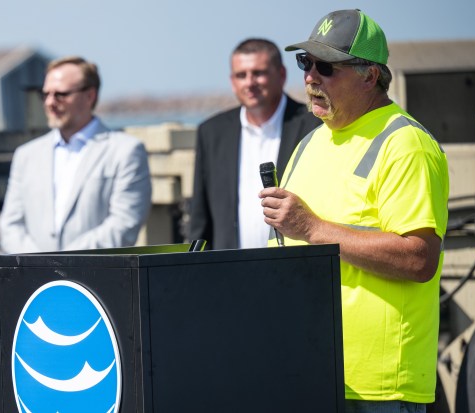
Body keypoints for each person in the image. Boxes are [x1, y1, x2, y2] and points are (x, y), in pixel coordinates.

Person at [260, 9, 449, 413]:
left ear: (370, 75)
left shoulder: (405, 143)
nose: (310, 77)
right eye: (305, 63)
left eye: (326, 66)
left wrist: (312, 228)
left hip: (378, 389)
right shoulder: (311, 142)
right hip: (311, 372)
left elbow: (419, 258)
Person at [0, 56, 152, 253]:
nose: (50, 102)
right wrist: (35, 264)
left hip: (95, 278)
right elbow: (10, 225)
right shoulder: (26, 155)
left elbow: (125, 223)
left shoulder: (125, 151)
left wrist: (64, 262)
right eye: (45, 94)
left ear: (90, 96)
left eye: (61, 94)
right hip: (36, 280)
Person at [189, 38, 322, 250]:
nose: (250, 83)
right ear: (232, 81)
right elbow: (200, 219)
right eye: (241, 75)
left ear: (281, 75)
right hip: (229, 272)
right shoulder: (211, 132)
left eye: (258, 73)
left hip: (296, 268)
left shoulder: (315, 126)